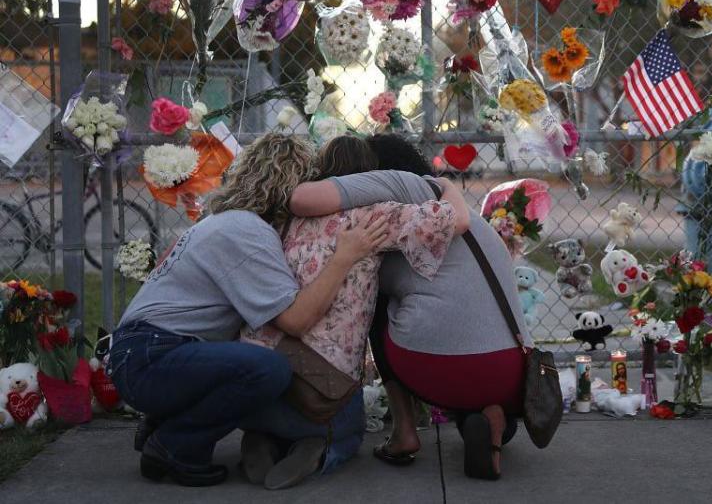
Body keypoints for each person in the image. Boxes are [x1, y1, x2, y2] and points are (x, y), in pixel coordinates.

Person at [106, 134, 387, 487]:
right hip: (151, 358)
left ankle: (170, 423)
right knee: (268, 370)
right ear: (291, 187)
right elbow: (296, 320)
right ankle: (175, 446)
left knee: (258, 364)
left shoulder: (223, 221)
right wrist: (345, 257)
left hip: (144, 354)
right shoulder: (247, 232)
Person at [289, 133, 536, 481]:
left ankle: (404, 430)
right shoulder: (461, 214)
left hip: (433, 361)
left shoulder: (393, 203)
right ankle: (489, 416)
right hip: (510, 369)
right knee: (500, 421)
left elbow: (301, 199)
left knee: (377, 299)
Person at [240, 135, 469, 488]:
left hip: (258, 358)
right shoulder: (372, 215)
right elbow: (454, 221)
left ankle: (261, 436)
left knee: (274, 404)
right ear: (369, 176)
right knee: (350, 429)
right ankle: (323, 448)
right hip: (320, 376)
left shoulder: (285, 218)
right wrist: (445, 186)